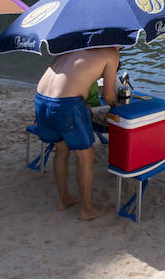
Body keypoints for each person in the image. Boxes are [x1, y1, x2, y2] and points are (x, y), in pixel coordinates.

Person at [35, 46, 119, 220]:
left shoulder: (74, 46)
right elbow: (110, 96)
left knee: (61, 150)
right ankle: (87, 210)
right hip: (66, 105)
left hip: (41, 99)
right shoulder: (111, 53)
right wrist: (117, 108)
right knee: (86, 157)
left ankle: (64, 199)